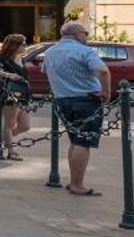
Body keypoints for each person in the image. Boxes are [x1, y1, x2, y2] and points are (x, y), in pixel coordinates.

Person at [43, 20, 113, 196]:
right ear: (76, 34)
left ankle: (74, 181)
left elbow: (46, 72)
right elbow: (103, 71)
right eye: (85, 33)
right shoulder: (84, 51)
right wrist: (106, 92)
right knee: (84, 142)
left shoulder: (51, 51)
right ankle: (77, 184)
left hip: (62, 100)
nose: (86, 37)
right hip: (86, 100)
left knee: (75, 140)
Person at [0, 33, 32, 161]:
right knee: (10, 124)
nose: (25, 46)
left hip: (23, 94)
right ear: (15, 45)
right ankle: (11, 151)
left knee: (25, 125)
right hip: (10, 94)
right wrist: (8, 75)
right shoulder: (2, 57)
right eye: (23, 44)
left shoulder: (20, 57)